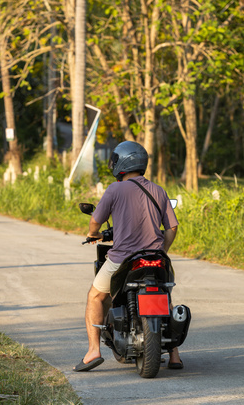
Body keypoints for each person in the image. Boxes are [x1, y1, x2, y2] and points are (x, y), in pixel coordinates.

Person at [74, 140, 182, 372]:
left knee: (95, 296)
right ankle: (174, 354)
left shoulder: (114, 190)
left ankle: (93, 351)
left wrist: (92, 234)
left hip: (123, 258)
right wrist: (162, 249)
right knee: (165, 293)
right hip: (156, 257)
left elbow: (96, 220)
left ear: (121, 163)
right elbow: (172, 228)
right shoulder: (158, 190)